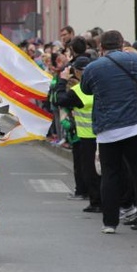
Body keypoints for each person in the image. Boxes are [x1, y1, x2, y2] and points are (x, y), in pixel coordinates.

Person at [80, 30, 137, 234]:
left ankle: (109, 222)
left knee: (110, 175)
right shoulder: (133, 59)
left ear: (101, 47)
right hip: (136, 126)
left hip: (107, 129)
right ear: (120, 43)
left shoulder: (93, 67)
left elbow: (86, 89)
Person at [53, 56, 101, 213]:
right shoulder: (101, 84)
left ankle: (96, 202)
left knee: (90, 171)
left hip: (87, 136)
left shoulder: (78, 90)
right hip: (104, 133)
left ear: (77, 72)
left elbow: (59, 99)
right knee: (105, 170)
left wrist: (62, 80)